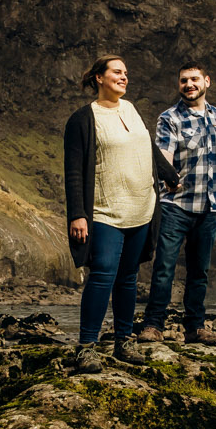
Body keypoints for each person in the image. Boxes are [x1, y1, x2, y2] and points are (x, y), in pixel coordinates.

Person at [63, 55, 178, 362]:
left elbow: (147, 147)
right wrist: (77, 214)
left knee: (128, 278)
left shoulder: (130, 109)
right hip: (104, 211)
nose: (124, 77)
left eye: (126, 73)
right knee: (102, 274)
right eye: (117, 72)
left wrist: (169, 176)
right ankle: (87, 348)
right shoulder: (83, 118)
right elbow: (74, 169)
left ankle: (123, 342)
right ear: (99, 77)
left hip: (141, 209)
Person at [140, 61, 216, 344]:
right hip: (176, 206)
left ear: (207, 81)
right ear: (178, 85)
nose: (189, 85)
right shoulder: (169, 118)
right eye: (183, 81)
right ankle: (154, 325)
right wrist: (168, 179)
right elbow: (164, 157)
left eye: (194, 79)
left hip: (208, 207)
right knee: (164, 268)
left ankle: (195, 327)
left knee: (199, 271)